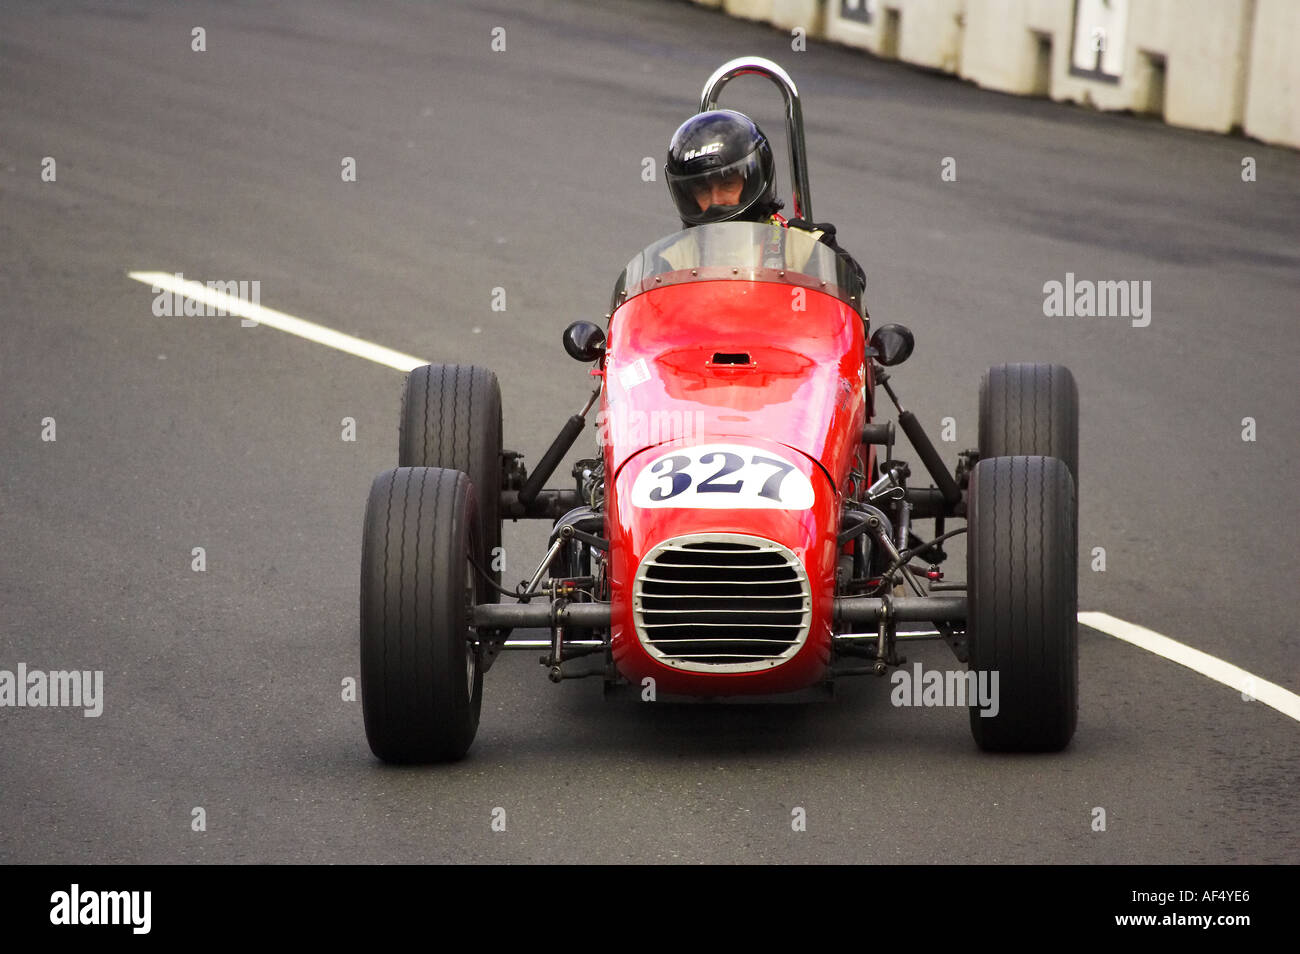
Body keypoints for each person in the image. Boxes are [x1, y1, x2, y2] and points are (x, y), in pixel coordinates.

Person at [662, 109, 865, 290]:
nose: (716, 200)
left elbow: (849, 308)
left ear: (753, 181)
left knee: (889, 334)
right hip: (700, 333)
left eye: (728, 185)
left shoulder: (806, 248)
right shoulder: (672, 260)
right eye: (703, 191)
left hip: (789, 332)